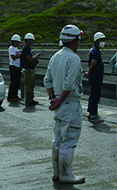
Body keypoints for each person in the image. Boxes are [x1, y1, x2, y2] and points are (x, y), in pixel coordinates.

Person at [44, 24, 85, 184]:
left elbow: (47, 80)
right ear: (74, 41)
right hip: (70, 103)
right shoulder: (74, 58)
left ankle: (57, 173)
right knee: (69, 140)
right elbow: (69, 85)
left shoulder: (55, 57)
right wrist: (60, 99)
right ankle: (66, 175)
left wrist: (53, 98)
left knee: (58, 139)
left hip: (59, 105)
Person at [84, 32, 106, 123]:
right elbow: (93, 63)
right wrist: (88, 73)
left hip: (95, 76)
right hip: (96, 76)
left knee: (93, 94)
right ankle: (93, 115)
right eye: (102, 40)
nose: (103, 42)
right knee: (95, 95)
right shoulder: (95, 51)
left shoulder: (95, 50)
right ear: (97, 41)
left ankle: (92, 113)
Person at [21, 33, 42, 107]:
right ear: (28, 41)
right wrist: (37, 56)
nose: (32, 42)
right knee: (29, 86)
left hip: (29, 69)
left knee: (31, 85)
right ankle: (29, 100)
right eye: (32, 41)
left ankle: (30, 99)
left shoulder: (26, 48)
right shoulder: (26, 49)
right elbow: (30, 59)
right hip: (29, 70)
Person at [7, 34, 22, 103]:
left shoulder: (16, 49)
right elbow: (13, 57)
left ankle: (15, 95)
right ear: (15, 42)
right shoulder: (11, 48)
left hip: (17, 67)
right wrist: (20, 55)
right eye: (18, 42)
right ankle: (10, 96)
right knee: (13, 82)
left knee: (17, 82)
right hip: (13, 66)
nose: (18, 43)